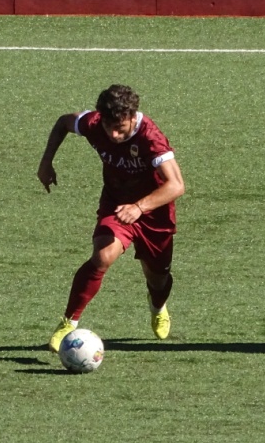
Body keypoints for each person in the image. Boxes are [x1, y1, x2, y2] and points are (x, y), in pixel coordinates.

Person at [38, 84, 186, 353]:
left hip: (154, 213)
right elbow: (63, 123)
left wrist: (139, 207)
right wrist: (46, 162)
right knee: (103, 255)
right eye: (109, 128)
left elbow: (176, 185)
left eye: (121, 128)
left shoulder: (150, 138)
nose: (114, 135)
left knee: (159, 279)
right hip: (116, 205)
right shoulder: (94, 123)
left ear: (132, 117)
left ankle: (158, 306)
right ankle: (69, 321)